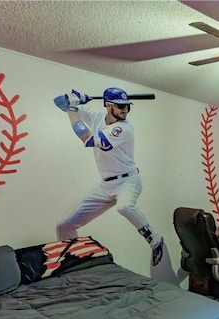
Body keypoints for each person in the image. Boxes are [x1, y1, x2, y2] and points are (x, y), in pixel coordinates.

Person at [53, 87, 164, 266]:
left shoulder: (124, 128)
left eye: (127, 107)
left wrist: (72, 110)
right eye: (121, 107)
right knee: (64, 225)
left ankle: (155, 239)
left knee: (125, 206)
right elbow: (58, 102)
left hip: (128, 180)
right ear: (108, 105)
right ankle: (72, 260)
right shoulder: (96, 117)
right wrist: (75, 98)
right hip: (105, 186)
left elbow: (89, 140)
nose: (125, 110)